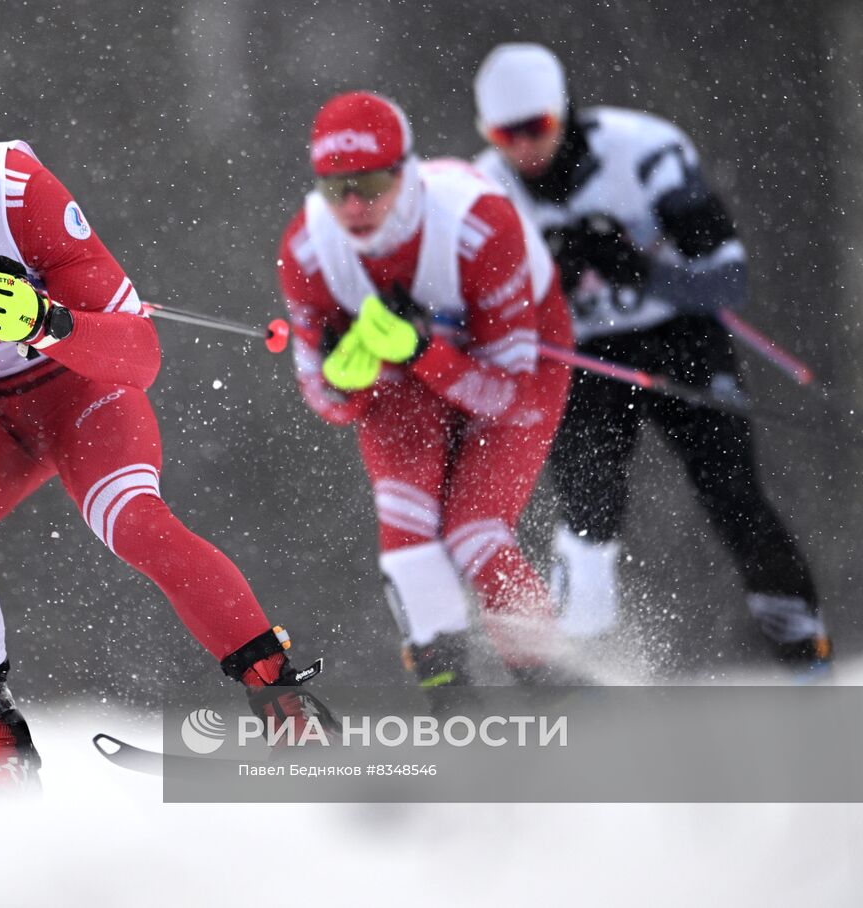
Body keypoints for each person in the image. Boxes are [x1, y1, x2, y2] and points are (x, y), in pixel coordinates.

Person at [0, 84, 332, 795]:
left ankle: (286, 701)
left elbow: (140, 357)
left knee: (136, 523)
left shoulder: (14, 194)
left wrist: (48, 321)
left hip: (76, 393)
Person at [471, 43, 831, 672]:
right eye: (507, 134)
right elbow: (478, 320)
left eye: (539, 128)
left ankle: (802, 643)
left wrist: (640, 268)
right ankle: (580, 657)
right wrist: (543, 282)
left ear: (564, 113)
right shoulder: (483, 191)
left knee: (732, 492)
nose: (524, 147)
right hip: (581, 356)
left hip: (680, 335)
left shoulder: (644, 150)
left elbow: (728, 281)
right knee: (588, 500)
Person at [276, 90, 577, 697]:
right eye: (337, 190)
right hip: (404, 379)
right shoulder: (308, 251)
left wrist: (424, 352)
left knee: (474, 531)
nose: (355, 206)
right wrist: (347, 378)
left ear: (405, 171)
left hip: (521, 362)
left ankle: (556, 687)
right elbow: (323, 397)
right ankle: (452, 700)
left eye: (372, 184)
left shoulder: (477, 225)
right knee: (409, 534)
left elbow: (509, 397)